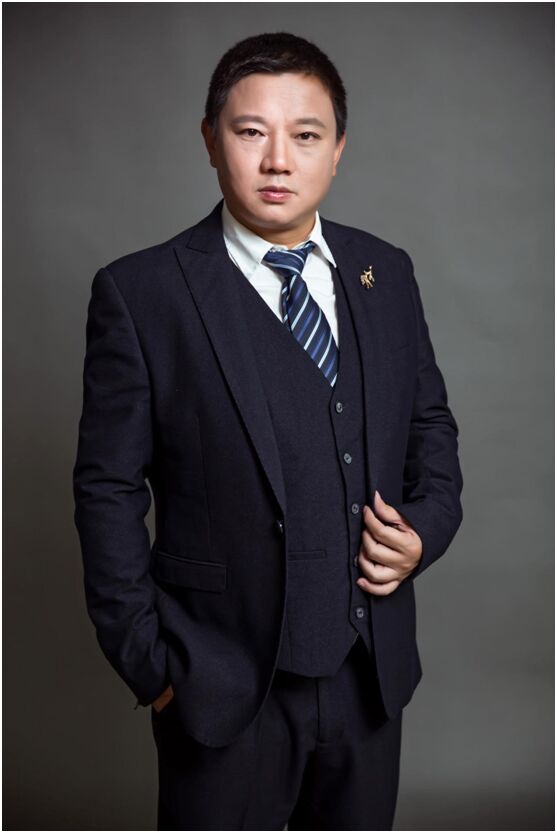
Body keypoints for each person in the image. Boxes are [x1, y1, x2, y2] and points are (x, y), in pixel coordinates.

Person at [73, 31, 463, 831]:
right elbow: (106, 488)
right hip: (216, 683)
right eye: (251, 131)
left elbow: (429, 426)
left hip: (369, 675)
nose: (278, 160)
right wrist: (150, 664)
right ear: (210, 140)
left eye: (305, 135)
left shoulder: (385, 272)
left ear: (338, 149)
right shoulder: (142, 293)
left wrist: (425, 530)